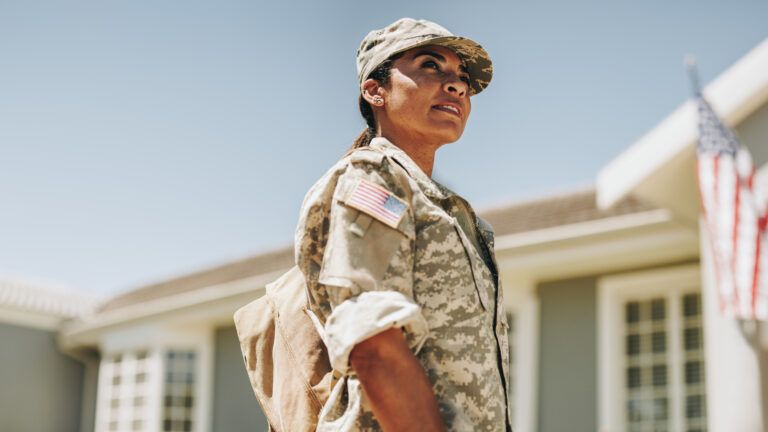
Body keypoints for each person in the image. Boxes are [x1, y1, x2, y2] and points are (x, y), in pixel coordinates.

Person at [294, 17, 511, 432]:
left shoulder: (447, 208)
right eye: (431, 65)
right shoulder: (375, 178)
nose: (457, 86)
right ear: (375, 90)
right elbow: (373, 341)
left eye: (462, 78)